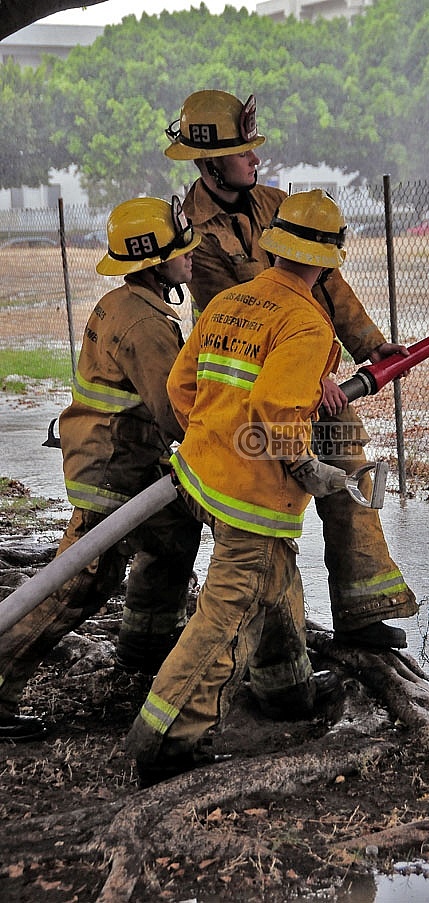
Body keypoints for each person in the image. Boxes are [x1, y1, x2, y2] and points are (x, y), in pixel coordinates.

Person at [163, 89, 418, 652]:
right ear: (210, 162)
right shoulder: (196, 234)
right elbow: (244, 313)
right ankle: (278, 641)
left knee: (351, 469)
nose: (256, 160)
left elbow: (328, 280)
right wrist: (306, 378)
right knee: (273, 506)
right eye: (243, 153)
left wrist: (370, 346)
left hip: (315, 373)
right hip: (264, 395)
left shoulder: (277, 204)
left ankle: (362, 608)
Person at [126, 190, 358, 785]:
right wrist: (306, 468)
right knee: (225, 613)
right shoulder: (305, 324)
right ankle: (167, 736)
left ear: (275, 245)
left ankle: (285, 689)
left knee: (275, 579)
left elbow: (183, 386)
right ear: (329, 259)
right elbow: (278, 407)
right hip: (252, 496)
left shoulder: (230, 301)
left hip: (204, 476)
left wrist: (213, 436)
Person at [0, 196, 205, 741]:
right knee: (80, 581)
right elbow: (177, 414)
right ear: (153, 261)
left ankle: (143, 657)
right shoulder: (145, 325)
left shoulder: (128, 304)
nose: (191, 255)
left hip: (124, 464)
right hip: (115, 471)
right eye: (180, 249)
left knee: (174, 540)